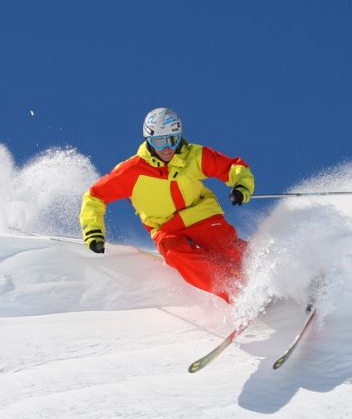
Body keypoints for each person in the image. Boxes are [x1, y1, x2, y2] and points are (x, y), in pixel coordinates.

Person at [79, 108, 255, 303]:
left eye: (172, 140)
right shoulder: (132, 171)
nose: (166, 148)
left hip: (201, 214)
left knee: (226, 247)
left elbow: (233, 167)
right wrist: (93, 230)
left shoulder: (194, 156)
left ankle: (264, 272)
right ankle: (237, 293)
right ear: (148, 140)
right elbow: (94, 197)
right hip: (165, 228)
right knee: (177, 255)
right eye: (159, 141)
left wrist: (240, 186)